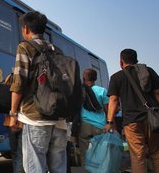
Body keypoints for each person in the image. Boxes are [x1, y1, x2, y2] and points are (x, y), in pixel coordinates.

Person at [9, 11, 69, 173]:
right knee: (58, 168)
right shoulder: (57, 51)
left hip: (35, 117)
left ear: (26, 29)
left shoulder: (25, 47)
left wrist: (13, 113)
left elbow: (19, 82)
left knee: (35, 167)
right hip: (59, 119)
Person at [104, 49, 159, 173]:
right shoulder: (148, 71)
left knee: (138, 157)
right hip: (155, 120)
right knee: (157, 155)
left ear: (121, 61)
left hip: (132, 122)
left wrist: (109, 122)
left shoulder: (117, 77)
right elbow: (158, 93)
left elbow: (113, 100)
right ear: (136, 60)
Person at [78, 68, 109, 167]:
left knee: (84, 154)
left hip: (84, 125)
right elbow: (107, 110)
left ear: (83, 78)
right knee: (100, 153)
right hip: (100, 126)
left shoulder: (79, 90)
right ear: (95, 78)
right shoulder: (102, 91)